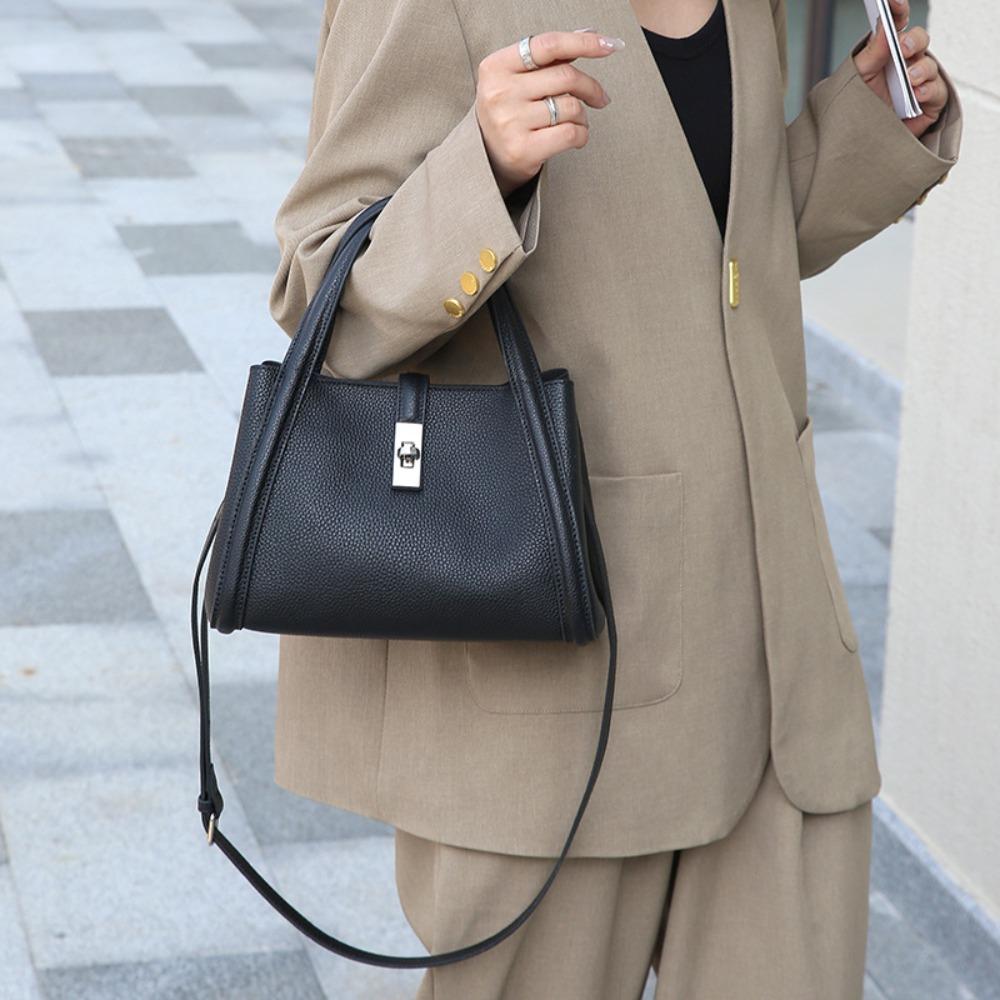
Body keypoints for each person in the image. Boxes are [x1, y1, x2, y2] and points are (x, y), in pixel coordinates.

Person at [267, 1, 962, 996]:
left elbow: (718, 252)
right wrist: (485, 167)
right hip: (554, 681)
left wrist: (865, 130)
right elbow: (318, 291)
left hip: (772, 660)